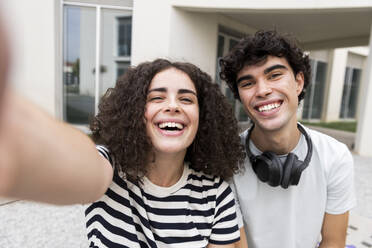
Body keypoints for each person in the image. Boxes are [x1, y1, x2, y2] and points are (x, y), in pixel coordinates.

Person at [0, 45, 248, 247]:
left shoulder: (215, 194)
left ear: (203, 118)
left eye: (186, 99)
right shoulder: (109, 169)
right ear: (135, 113)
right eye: (156, 97)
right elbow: (77, 168)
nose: (173, 106)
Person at [219, 30, 356, 248]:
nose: (262, 90)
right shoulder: (226, 160)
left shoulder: (335, 156)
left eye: (274, 75)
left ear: (299, 82)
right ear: (240, 98)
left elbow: (334, 243)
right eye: (248, 83)